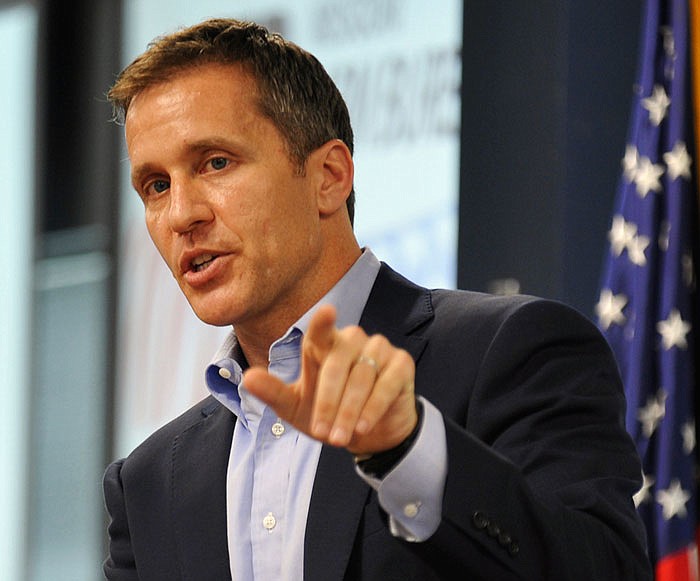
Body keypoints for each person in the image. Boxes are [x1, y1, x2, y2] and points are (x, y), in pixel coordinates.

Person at [102, 17, 652, 580]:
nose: (181, 214)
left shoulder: (512, 352)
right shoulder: (148, 484)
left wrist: (409, 452)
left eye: (215, 162)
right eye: (156, 185)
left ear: (329, 177)